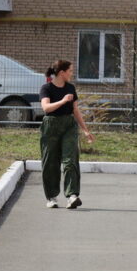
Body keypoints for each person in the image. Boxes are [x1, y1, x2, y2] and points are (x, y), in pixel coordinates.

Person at [39, 59, 94, 209]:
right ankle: (51, 197)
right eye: (70, 71)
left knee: (70, 161)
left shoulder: (70, 88)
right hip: (51, 126)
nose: (71, 73)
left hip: (69, 126)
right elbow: (46, 108)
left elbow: (75, 110)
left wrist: (85, 130)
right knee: (50, 162)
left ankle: (72, 195)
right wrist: (63, 101)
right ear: (62, 73)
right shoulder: (46, 88)